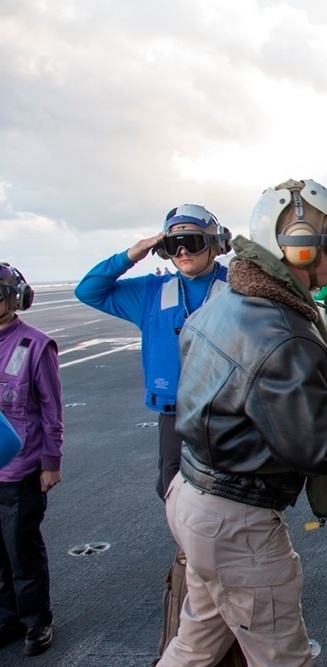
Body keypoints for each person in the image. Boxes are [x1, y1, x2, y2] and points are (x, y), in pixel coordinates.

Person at [156, 179, 327, 667]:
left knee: (195, 647)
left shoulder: (226, 300)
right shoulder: (284, 333)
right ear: (296, 247)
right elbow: (315, 448)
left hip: (192, 498)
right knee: (283, 659)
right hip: (236, 522)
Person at [75, 204, 232, 500]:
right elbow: (89, 291)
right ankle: (188, 546)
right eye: (174, 244)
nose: (183, 251)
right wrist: (131, 254)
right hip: (176, 411)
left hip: (230, 409)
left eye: (193, 242)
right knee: (173, 486)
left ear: (214, 244)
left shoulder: (239, 286)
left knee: (233, 486)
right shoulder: (151, 292)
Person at [0, 262, 62, 657]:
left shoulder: (35, 345)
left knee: (21, 549)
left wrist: (50, 461)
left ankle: (36, 621)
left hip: (21, 468)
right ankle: (7, 616)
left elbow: (51, 409)